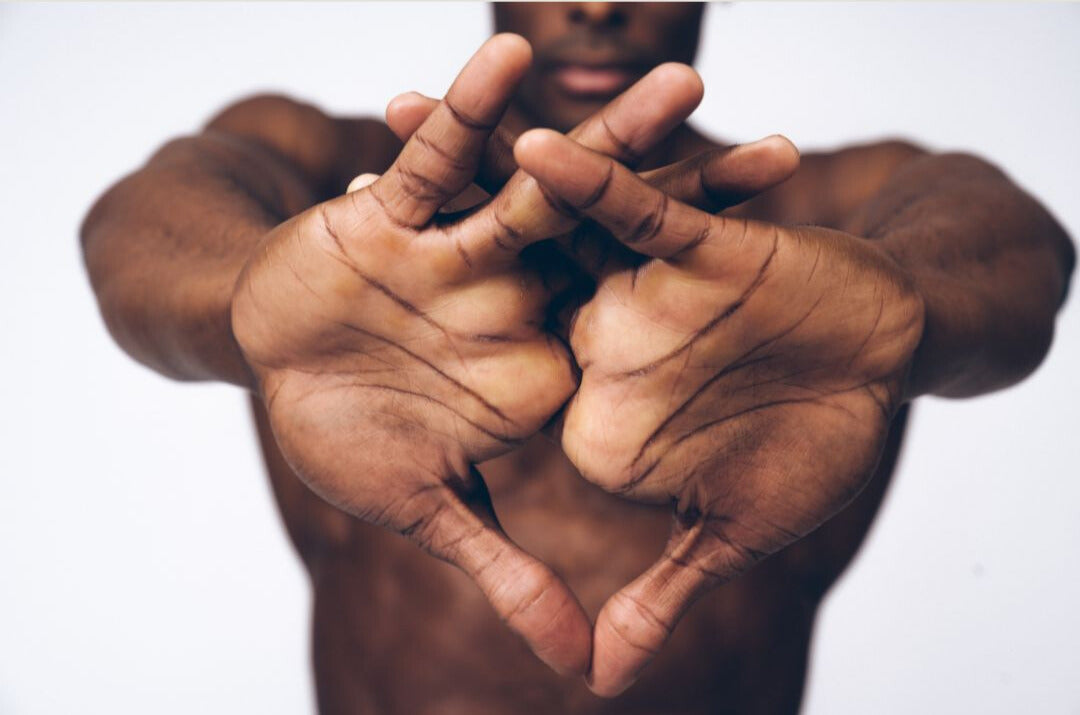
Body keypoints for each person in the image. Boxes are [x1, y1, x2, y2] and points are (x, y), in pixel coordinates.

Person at [80, 3, 1074, 713]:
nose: (597, 8)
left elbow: (1015, 245)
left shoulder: (821, 229)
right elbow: (140, 227)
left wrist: (905, 321)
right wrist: (250, 303)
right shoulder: (333, 195)